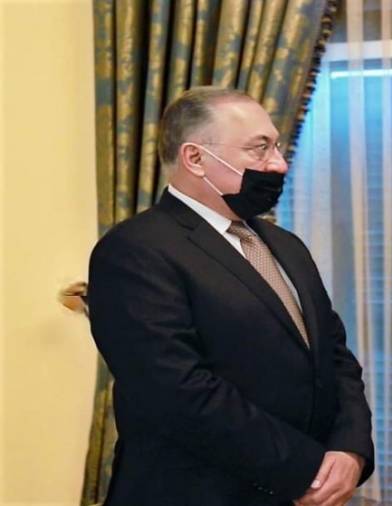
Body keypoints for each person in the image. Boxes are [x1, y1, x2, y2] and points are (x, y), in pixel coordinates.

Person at [88, 87, 374, 506]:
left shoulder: (285, 244)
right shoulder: (134, 250)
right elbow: (176, 390)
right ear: (195, 158)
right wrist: (304, 469)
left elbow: (333, 355)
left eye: (276, 146)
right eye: (260, 148)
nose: (278, 163)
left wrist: (349, 449)